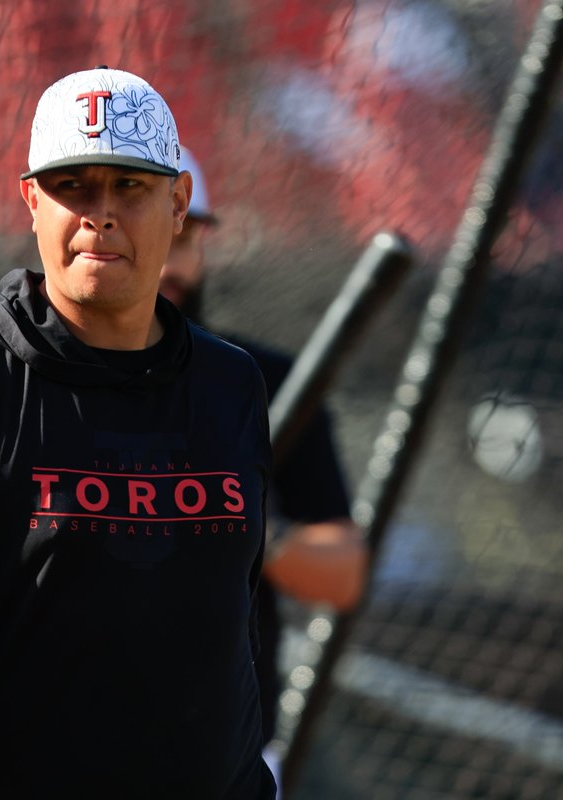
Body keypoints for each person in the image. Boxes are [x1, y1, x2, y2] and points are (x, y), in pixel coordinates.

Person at [0, 67, 276, 800]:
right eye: (74, 186)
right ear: (32, 200)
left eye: (130, 187)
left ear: (178, 203)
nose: (100, 214)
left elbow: (230, 628)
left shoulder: (232, 385)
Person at [161, 148, 369, 784]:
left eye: (183, 236)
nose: (166, 261)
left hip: (227, 757)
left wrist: (238, 523)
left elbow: (342, 574)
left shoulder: (264, 384)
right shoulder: (21, 382)